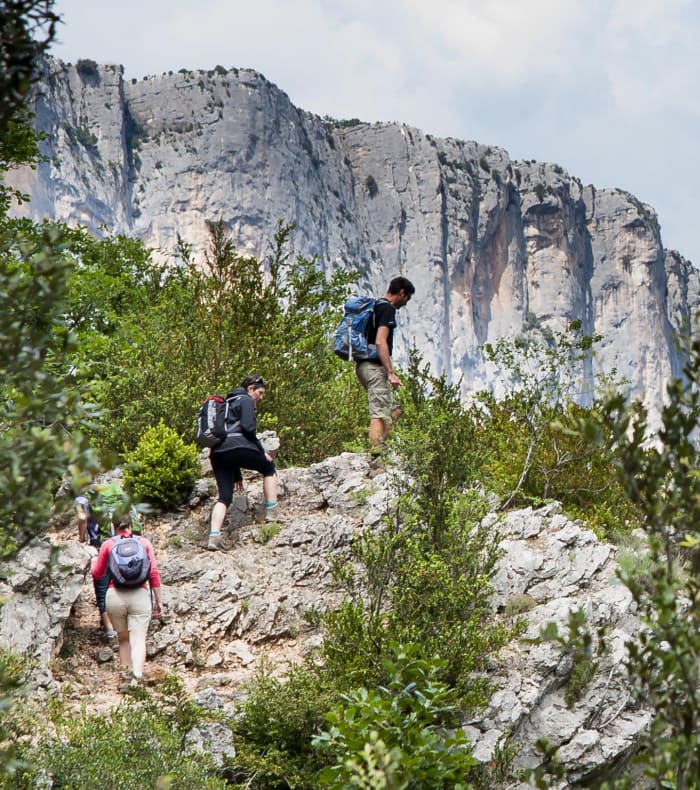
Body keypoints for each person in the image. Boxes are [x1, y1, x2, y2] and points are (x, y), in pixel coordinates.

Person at [92, 508, 162, 691]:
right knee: (138, 639)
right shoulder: (144, 542)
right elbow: (153, 573)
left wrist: (94, 563)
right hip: (139, 595)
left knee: (123, 640)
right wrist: (159, 601)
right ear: (131, 525)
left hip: (115, 596)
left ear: (113, 526)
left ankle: (125, 679)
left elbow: (98, 573)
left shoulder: (108, 545)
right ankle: (136, 679)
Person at [207, 375, 280, 550]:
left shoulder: (225, 404)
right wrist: (262, 451)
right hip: (238, 446)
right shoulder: (245, 400)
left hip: (217, 453)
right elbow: (248, 428)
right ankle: (272, 511)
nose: (261, 397)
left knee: (224, 497)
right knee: (268, 467)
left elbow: (227, 440)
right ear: (250, 389)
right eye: (260, 393)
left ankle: (214, 537)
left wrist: (237, 475)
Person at [355, 276, 415, 463]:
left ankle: (381, 448)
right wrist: (390, 372)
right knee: (379, 413)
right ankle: (376, 458)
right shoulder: (387, 309)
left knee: (396, 408)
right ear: (402, 293)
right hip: (374, 367)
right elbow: (381, 340)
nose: (405, 304)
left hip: (365, 366)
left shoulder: (375, 306)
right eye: (407, 299)